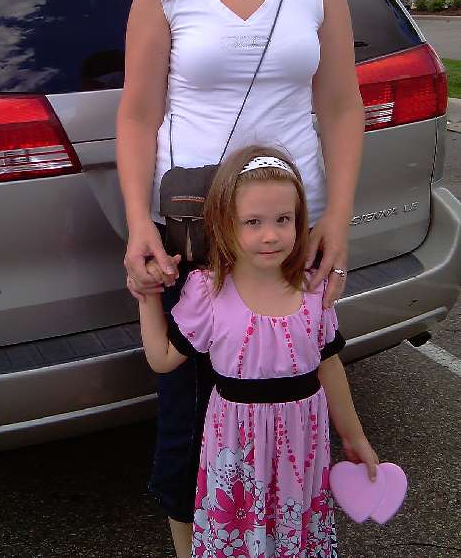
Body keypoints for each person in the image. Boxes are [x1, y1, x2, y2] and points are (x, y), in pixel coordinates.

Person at [116, 0, 365, 557]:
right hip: (199, 243)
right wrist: (138, 226)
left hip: (291, 237)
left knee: (294, 407)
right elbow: (137, 115)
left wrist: (336, 219)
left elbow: (342, 106)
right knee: (188, 436)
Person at [139, 145, 378, 557]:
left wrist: (354, 437)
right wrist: (146, 295)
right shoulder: (208, 292)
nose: (271, 235)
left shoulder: (313, 289)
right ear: (224, 224)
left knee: (292, 535)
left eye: (283, 219)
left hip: (300, 454)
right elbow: (162, 359)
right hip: (237, 455)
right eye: (253, 222)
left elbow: (329, 365)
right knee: (242, 536)